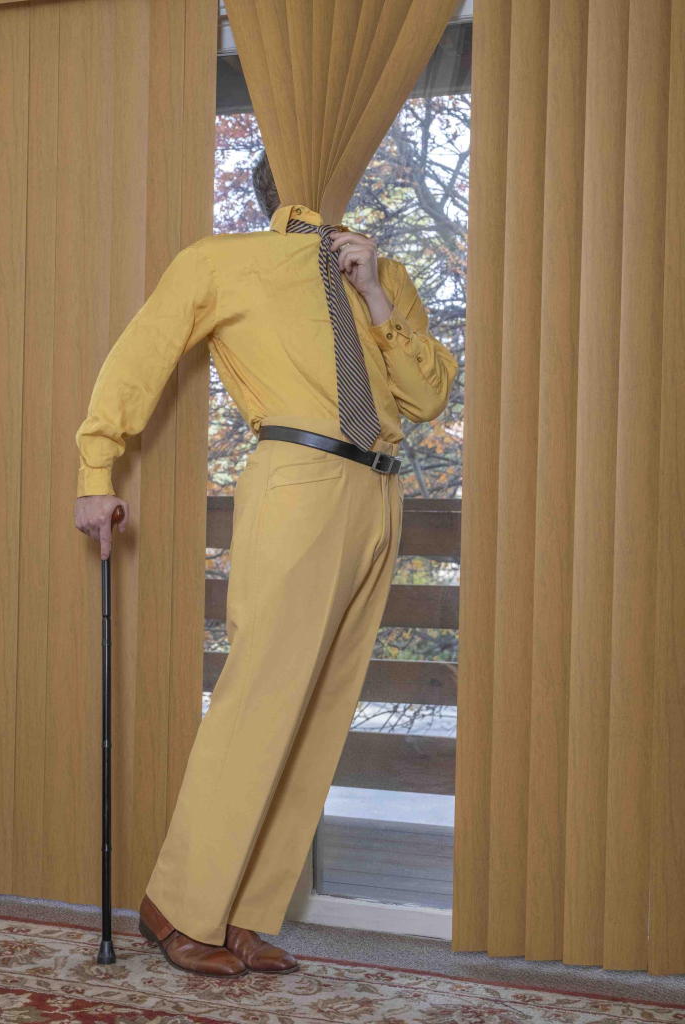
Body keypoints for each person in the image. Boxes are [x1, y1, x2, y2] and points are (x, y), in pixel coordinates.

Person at [74, 149, 458, 978]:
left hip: (378, 495)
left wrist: (376, 294)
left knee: (320, 715)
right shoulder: (223, 261)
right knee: (258, 700)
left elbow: (427, 400)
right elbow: (139, 359)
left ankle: (243, 916)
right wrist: (94, 471)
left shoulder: (381, 271)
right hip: (298, 478)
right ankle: (178, 903)